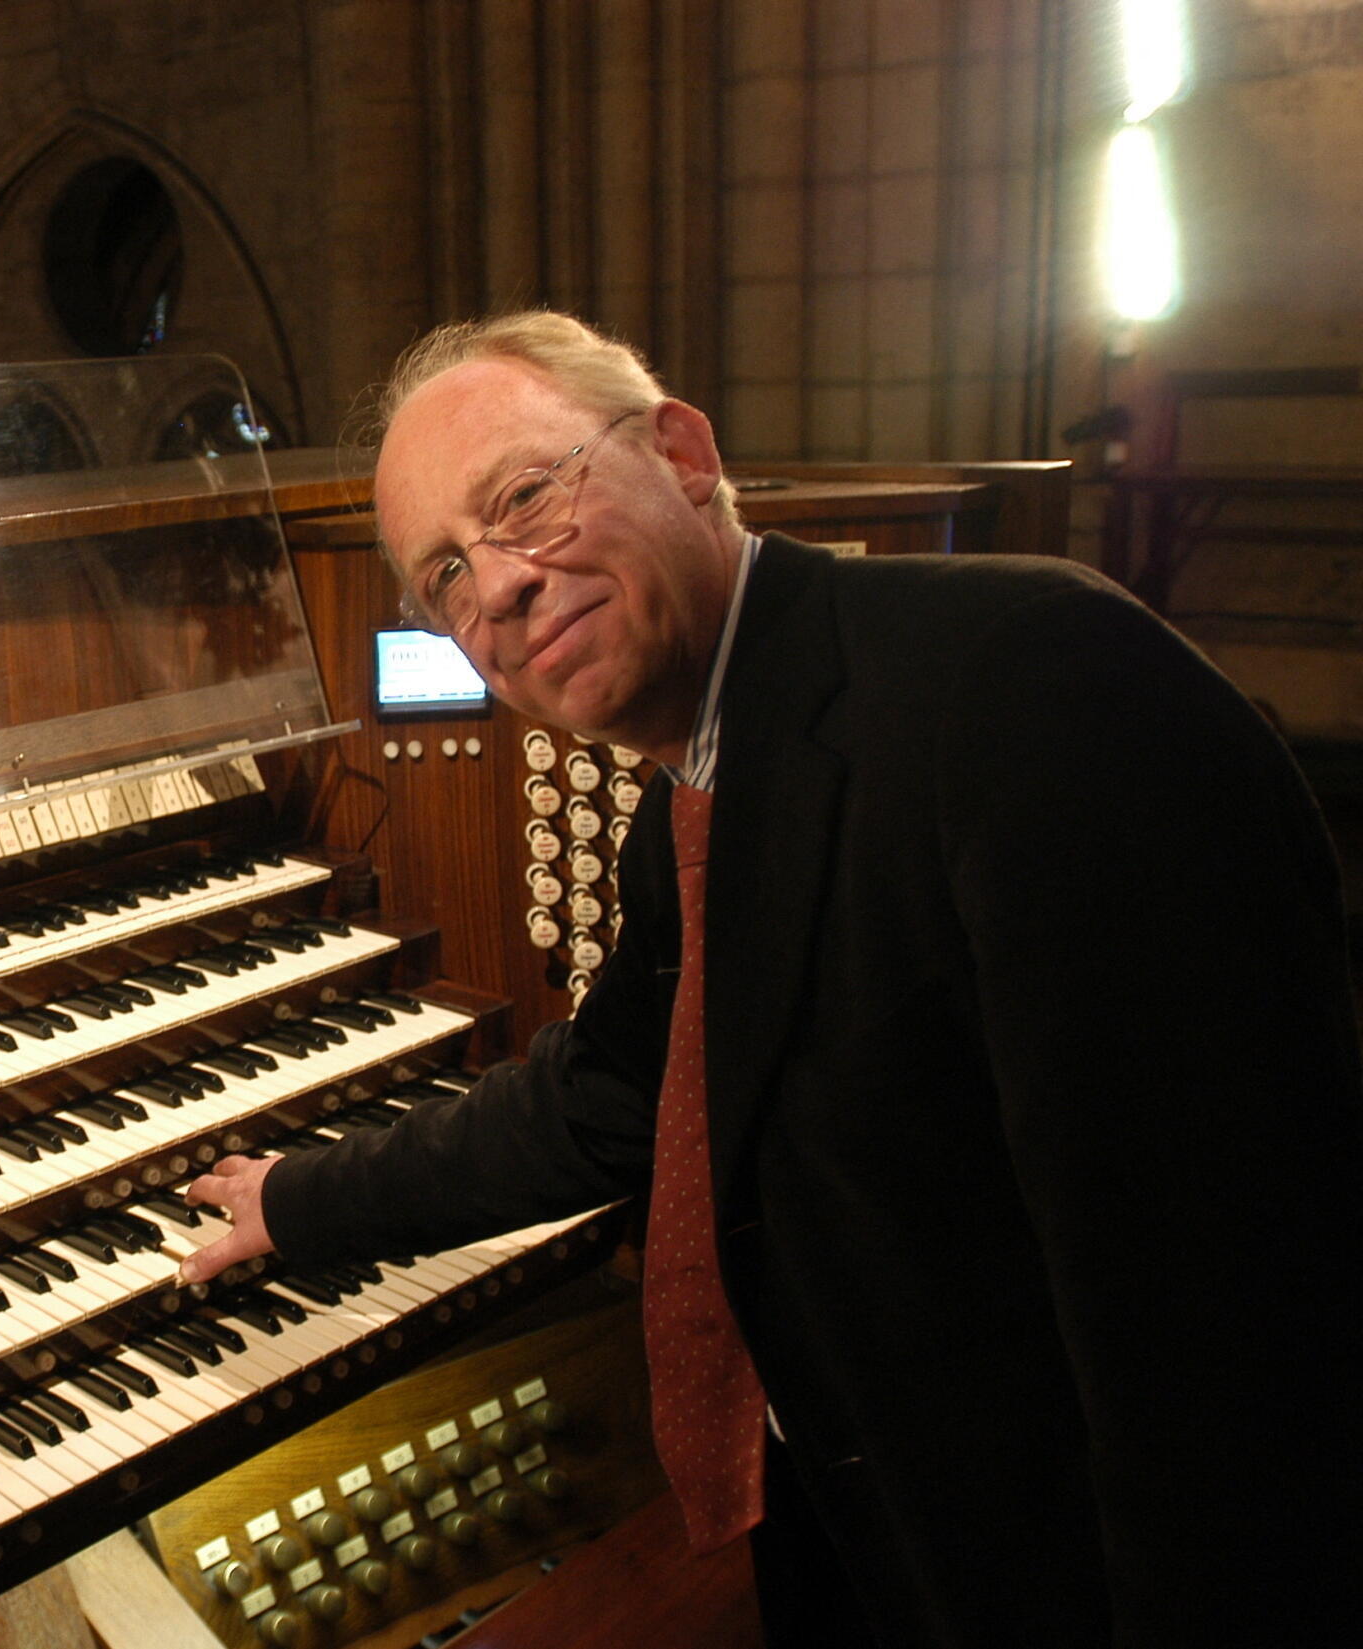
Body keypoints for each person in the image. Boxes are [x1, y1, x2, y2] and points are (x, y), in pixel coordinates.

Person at [176, 310, 1363, 1647]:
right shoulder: (694, 786)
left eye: (524, 496)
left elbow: (1229, 1353)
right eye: (444, 571)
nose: (495, 587)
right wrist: (304, 1197)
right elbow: (613, 1092)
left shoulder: (1031, 681)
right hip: (862, 1538)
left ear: (682, 452)